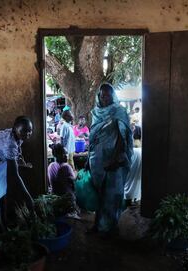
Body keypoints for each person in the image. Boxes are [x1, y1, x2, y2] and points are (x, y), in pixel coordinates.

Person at [88, 83, 133, 236]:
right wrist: (90, 160)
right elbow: (93, 139)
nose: (105, 98)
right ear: (98, 97)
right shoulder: (95, 113)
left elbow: (122, 139)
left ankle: (109, 228)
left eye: (108, 95)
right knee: (98, 195)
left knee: (112, 196)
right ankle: (98, 224)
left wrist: (114, 159)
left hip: (114, 162)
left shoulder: (119, 112)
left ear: (113, 96)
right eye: (102, 95)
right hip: (97, 162)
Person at [47, 144, 79, 218]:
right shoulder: (66, 167)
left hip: (54, 196)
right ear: (57, 155)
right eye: (63, 154)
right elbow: (75, 183)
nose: (66, 155)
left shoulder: (50, 166)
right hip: (66, 199)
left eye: (66, 153)